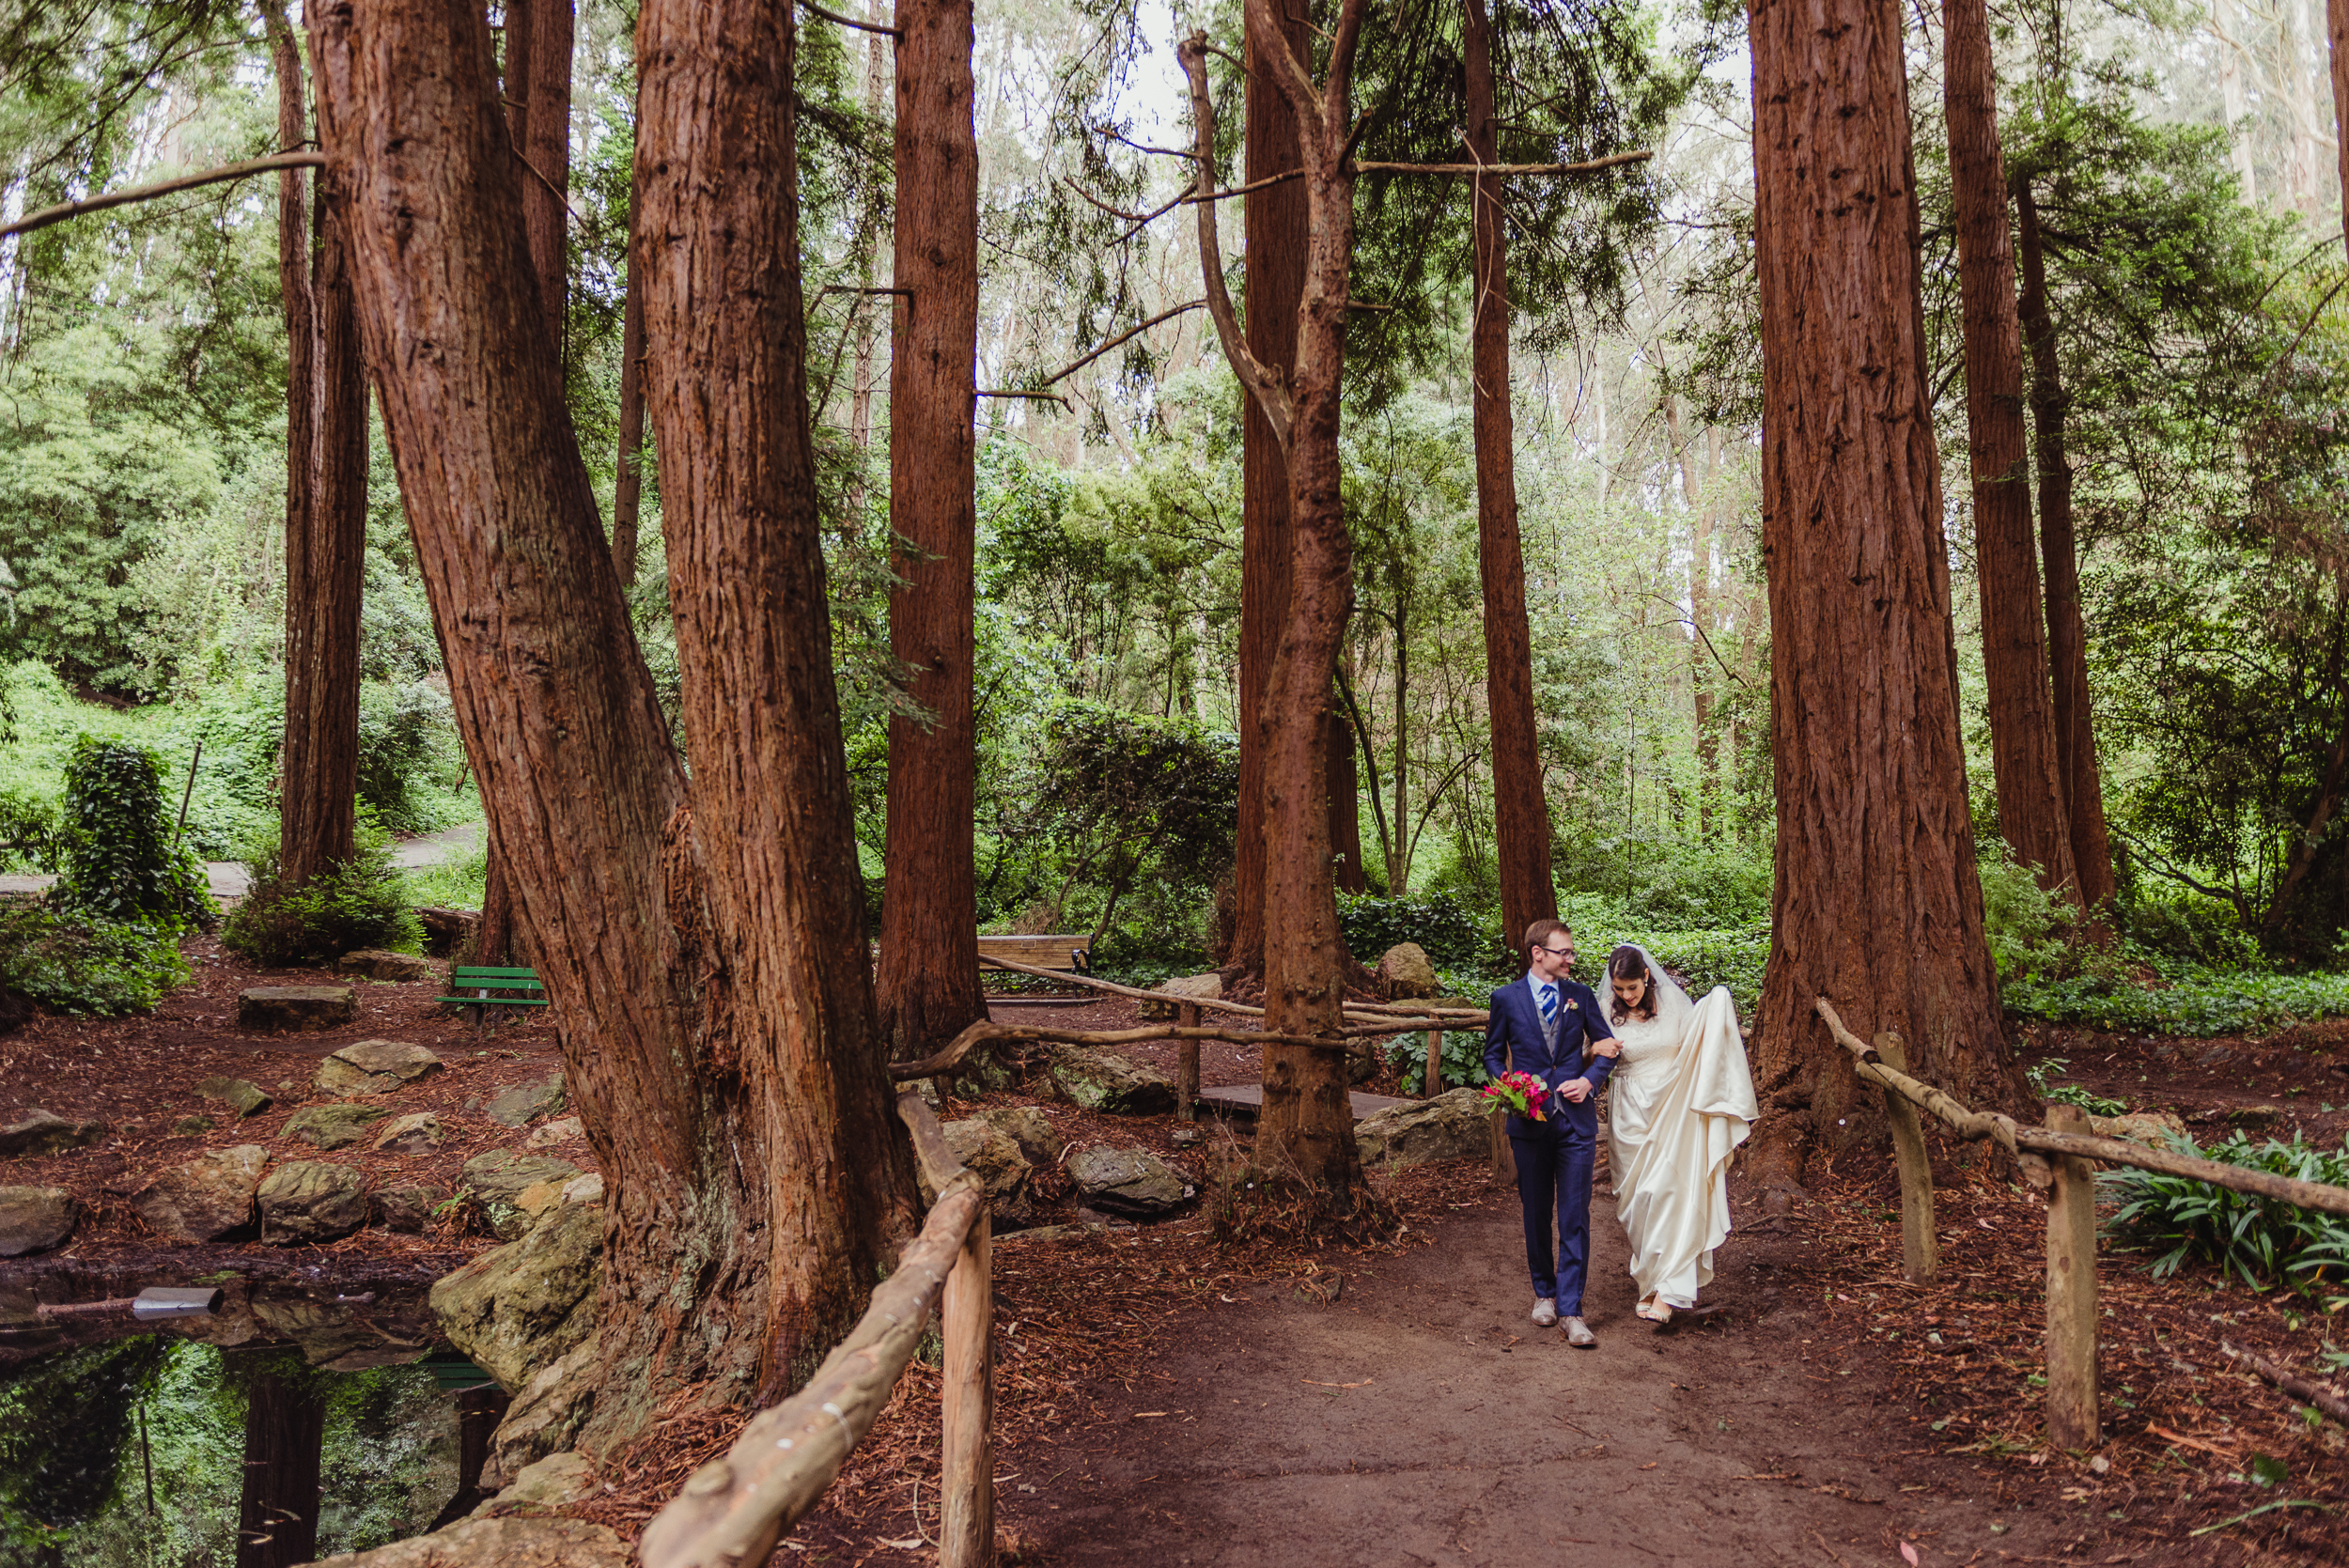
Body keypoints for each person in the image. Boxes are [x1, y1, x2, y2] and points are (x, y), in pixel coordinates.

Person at [1600, 943, 1758, 1327]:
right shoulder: (1606, 1011)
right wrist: (1595, 1052)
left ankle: (1670, 1290)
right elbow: (1590, 1055)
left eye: (1632, 988)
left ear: (1647, 977)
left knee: (1670, 1191)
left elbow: (1697, 1041)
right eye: (1619, 989)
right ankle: (1651, 1282)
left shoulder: (1673, 1002)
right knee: (1636, 1201)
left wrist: (1718, 1001)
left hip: (1672, 1106)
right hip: (1627, 1113)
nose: (1626, 995)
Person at [1484, 919, 1621, 1347]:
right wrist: (1507, 1088)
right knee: (1536, 1212)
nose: (1571, 958)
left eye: (1572, 952)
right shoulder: (1505, 999)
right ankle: (1543, 1293)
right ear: (1537, 953)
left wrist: (1590, 1081)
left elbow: (1607, 1047)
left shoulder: (1580, 997)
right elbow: (1491, 1054)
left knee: (1575, 1216)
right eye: (1564, 952)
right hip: (1529, 1125)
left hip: (1576, 1125)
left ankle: (1571, 1310)